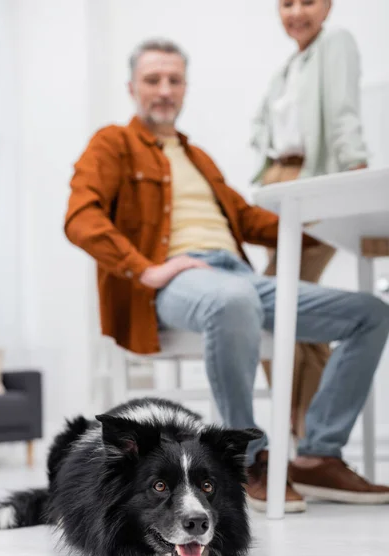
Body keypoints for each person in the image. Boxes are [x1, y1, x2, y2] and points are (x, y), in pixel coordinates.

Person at [64, 38, 389, 513]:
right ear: (132, 86)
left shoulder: (200, 160)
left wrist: (334, 213)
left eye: (174, 80)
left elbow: (253, 222)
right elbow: (80, 216)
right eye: (153, 79)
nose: (164, 89)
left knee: (370, 312)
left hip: (237, 275)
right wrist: (148, 269)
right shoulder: (113, 143)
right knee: (233, 300)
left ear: (185, 88)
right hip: (179, 280)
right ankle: (247, 458)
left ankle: (318, 454)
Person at [251, 0, 369, 440]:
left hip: (313, 180)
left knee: (273, 306)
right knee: (300, 315)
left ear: (329, 6)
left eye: (308, 1)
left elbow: (342, 112)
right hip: (279, 185)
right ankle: (308, 432)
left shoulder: (336, 43)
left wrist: (355, 171)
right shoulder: (289, 67)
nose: (296, 12)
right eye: (286, 3)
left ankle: (302, 430)